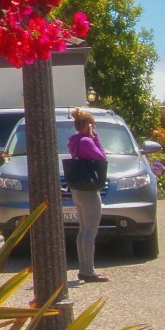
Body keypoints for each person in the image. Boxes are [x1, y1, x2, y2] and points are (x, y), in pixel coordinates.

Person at [67, 107, 108, 283]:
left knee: (83, 230)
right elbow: (102, 158)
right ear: (87, 125)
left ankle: (83, 268)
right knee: (91, 231)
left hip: (77, 189)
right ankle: (88, 271)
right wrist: (96, 138)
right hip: (89, 191)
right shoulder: (86, 141)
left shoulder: (74, 141)